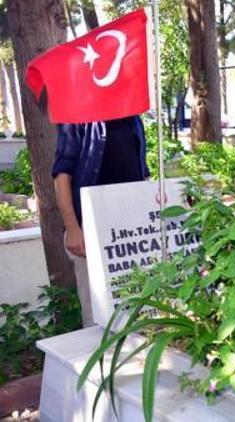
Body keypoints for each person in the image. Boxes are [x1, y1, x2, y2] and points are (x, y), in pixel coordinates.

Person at [52, 116, 150, 327]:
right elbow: (61, 177)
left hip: (131, 235)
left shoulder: (133, 118)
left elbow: (143, 174)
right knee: (97, 317)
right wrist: (72, 228)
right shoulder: (77, 117)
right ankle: (101, 360)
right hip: (90, 235)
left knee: (137, 312)